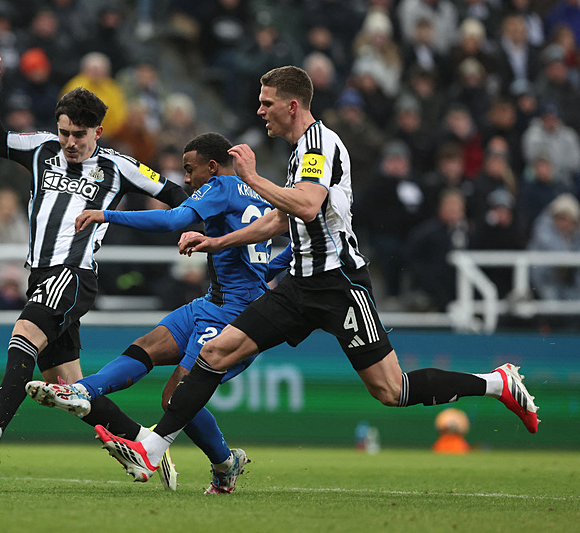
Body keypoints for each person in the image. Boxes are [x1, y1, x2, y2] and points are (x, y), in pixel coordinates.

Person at [93, 66, 541, 483]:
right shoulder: (298, 153)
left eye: (266, 103)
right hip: (298, 286)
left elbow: (306, 205)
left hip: (338, 285)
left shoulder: (318, 145)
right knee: (214, 353)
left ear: (292, 106)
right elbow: (279, 220)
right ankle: (152, 450)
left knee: (391, 390)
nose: (259, 111)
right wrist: (218, 242)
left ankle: (496, 383)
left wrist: (253, 177)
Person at [0, 49, 188, 471]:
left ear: (98, 131)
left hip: (72, 274)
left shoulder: (119, 166)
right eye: (64, 133)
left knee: (23, 333)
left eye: (79, 135)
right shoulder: (41, 148)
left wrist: (193, 229)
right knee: (67, 385)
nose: (70, 142)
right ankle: (145, 443)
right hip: (40, 275)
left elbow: (176, 196)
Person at [26, 132, 276, 493]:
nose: (185, 179)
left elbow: (173, 220)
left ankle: (222, 462)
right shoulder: (256, 192)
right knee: (149, 345)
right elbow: (276, 251)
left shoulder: (221, 185)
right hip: (213, 302)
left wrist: (106, 215)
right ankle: (80, 391)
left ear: (211, 167)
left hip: (234, 316)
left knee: (177, 396)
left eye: (189, 170)